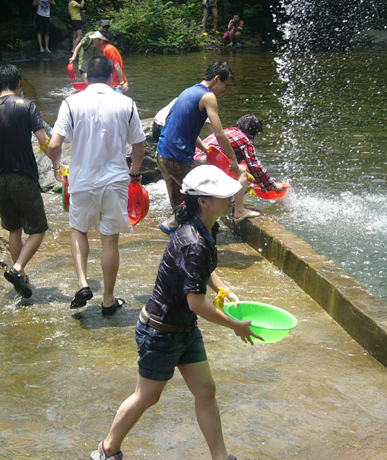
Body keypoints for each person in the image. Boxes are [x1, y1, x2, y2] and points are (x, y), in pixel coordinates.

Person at [89, 164, 262, 460]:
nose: (231, 199)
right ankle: (107, 450)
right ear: (203, 202)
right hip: (160, 331)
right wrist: (235, 325)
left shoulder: (205, 227)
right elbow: (196, 303)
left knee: (205, 390)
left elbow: (201, 271)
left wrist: (222, 287)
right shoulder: (193, 242)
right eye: (224, 195)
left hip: (183, 328)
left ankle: (220, 457)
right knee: (147, 396)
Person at [48, 56, 145, 314]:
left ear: (85, 78)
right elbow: (139, 146)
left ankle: (82, 283)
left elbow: (54, 144)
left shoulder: (71, 103)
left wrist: (57, 167)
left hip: (82, 179)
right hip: (115, 180)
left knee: (79, 230)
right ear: (112, 77)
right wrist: (134, 173)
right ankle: (109, 300)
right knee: (110, 241)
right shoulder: (127, 104)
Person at [0, 64, 55, 298]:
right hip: (23, 176)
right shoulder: (27, 106)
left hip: (0, 178)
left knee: (14, 229)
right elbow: (42, 139)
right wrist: (57, 163)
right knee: (39, 229)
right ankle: (18, 268)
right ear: (19, 84)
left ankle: (22, 278)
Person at [156, 61, 236, 234]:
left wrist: (205, 148)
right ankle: (172, 224)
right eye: (226, 85)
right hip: (177, 158)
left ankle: (182, 232)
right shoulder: (208, 97)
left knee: (180, 199)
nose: (225, 90)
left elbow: (183, 128)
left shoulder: (189, 91)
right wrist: (233, 159)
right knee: (206, 192)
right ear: (216, 79)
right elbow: (219, 133)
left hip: (162, 154)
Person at [194, 114, 287, 220]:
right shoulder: (245, 139)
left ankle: (224, 204)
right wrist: (273, 186)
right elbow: (255, 166)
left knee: (242, 172)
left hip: (194, 162)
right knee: (242, 171)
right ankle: (239, 210)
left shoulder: (227, 132)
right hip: (206, 164)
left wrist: (254, 180)